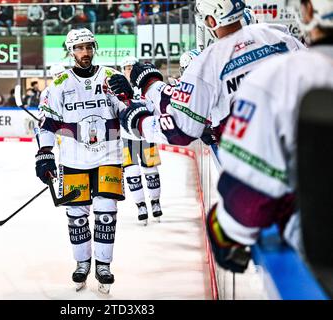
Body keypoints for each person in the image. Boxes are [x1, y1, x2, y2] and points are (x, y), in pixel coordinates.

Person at [204, 0, 333, 273]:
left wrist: (222, 229)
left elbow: (250, 201)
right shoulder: (281, 44)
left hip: (321, 255)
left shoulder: (279, 77)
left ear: (309, 10)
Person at [111, 0, 305, 149]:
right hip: (303, 144)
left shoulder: (206, 63)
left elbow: (182, 130)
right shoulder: (278, 34)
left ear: (211, 20)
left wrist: (139, 121)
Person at [35, 28, 127, 294]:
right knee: (77, 217)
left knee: (106, 214)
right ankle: (82, 263)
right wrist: (45, 153)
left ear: (94, 47)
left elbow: (128, 114)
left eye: (88, 47)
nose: (85, 53)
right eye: (79, 48)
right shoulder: (60, 83)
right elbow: (47, 124)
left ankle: (104, 265)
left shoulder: (111, 77)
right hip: (73, 159)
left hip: (108, 156)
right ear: (70, 51)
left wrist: (130, 97)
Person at [120, 56, 163, 225]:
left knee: (151, 171)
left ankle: (155, 201)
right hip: (126, 138)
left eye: (131, 66)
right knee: (132, 173)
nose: (129, 70)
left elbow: (155, 106)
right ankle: (141, 206)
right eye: (126, 67)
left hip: (147, 136)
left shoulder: (145, 85)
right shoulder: (118, 87)